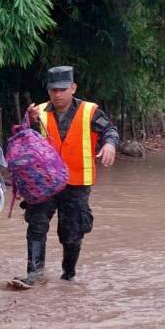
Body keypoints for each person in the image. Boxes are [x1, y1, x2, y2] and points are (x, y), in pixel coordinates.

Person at [10, 65, 119, 286]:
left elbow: (110, 130)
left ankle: (68, 275)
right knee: (37, 226)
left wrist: (110, 145)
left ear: (73, 88)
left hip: (76, 183)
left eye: (62, 89)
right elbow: (26, 142)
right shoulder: (38, 111)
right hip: (44, 184)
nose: (57, 95)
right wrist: (30, 122)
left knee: (72, 234)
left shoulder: (90, 111)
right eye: (53, 90)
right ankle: (34, 275)